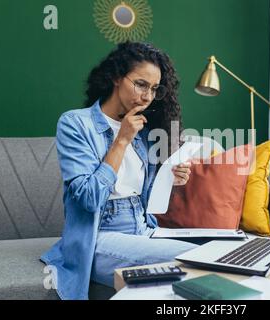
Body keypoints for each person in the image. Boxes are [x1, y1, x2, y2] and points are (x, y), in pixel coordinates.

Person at [41, 41, 198, 300]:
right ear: (116, 77)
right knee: (195, 259)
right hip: (98, 238)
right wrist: (121, 140)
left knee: (221, 249)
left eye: (154, 89)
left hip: (144, 231)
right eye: (141, 84)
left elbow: (144, 198)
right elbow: (88, 199)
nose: (148, 96)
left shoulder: (144, 131)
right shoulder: (75, 124)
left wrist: (171, 179)